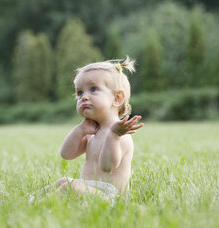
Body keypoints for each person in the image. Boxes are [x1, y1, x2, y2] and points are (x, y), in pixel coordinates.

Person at [44, 56, 144, 201]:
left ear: (117, 98)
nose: (84, 97)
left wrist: (113, 136)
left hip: (110, 195)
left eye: (93, 89)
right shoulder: (92, 131)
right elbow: (66, 154)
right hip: (89, 189)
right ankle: (24, 199)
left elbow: (107, 166)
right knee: (63, 181)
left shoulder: (121, 133)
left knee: (69, 187)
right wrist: (80, 130)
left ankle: (32, 206)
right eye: (80, 93)